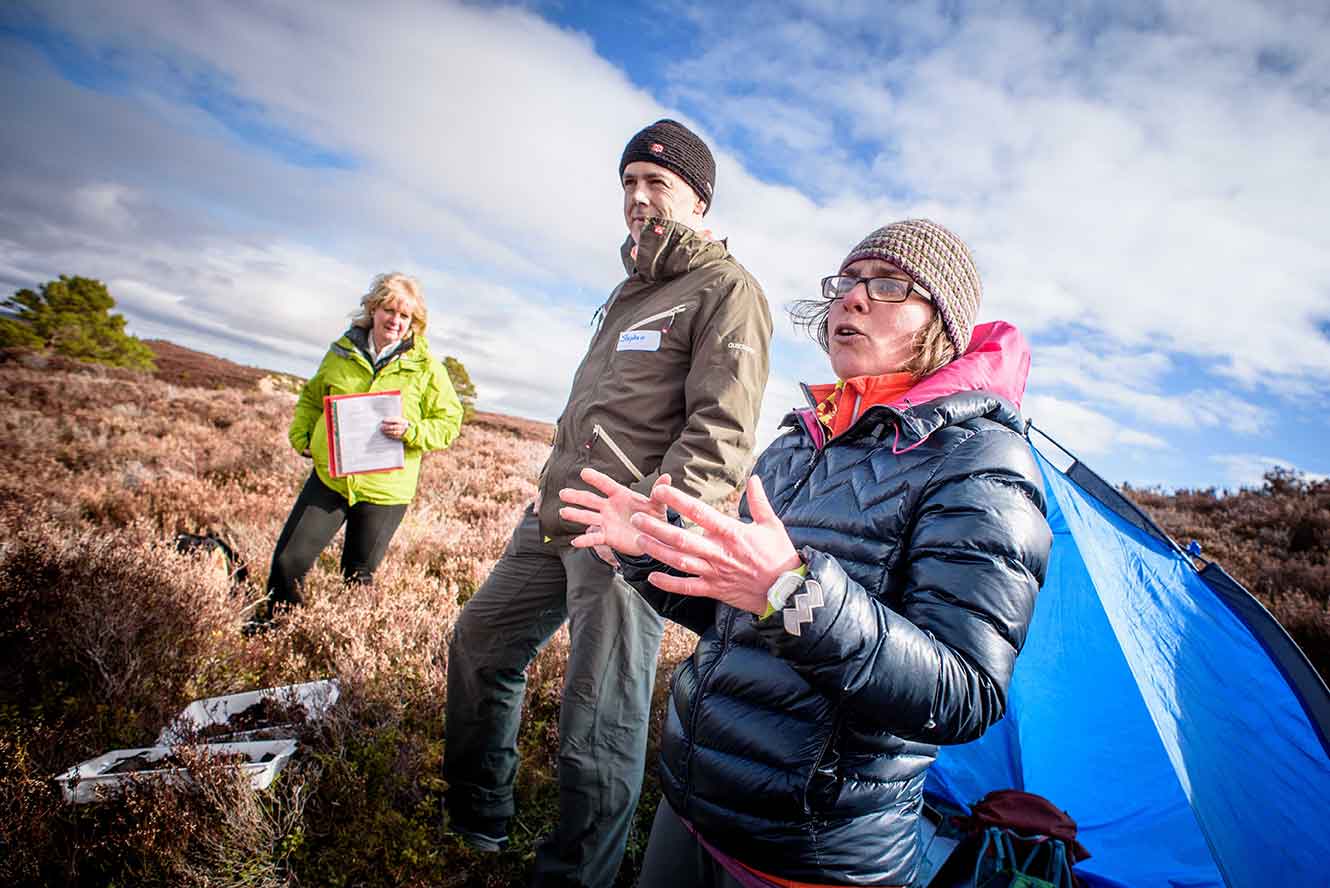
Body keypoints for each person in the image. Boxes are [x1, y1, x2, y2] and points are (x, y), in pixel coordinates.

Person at [559, 219, 1053, 887]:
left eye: (888, 285)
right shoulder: (801, 438)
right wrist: (649, 554)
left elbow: (964, 691)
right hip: (691, 807)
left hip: (810, 851)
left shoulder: (983, 460)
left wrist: (790, 593)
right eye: (847, 282)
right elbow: (738, 616)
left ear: (943, 321)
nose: (853, 298)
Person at [443, 119, 772, 888]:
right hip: (554, 518)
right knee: (480, 645)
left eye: (657, 182)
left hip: (625, 537)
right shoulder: (631, 289)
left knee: (598, 724)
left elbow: (720, 434)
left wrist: (648, 529)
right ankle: (478, 819)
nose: (638, 196)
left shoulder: (727, 290)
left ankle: (575, 877)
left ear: (699, 200)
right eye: (629, 182)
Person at [245, 272, 463, 633]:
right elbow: (312, 399)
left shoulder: (427, 367)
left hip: (385, 491)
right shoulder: (341, 352)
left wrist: (413, 431)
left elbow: (449, 421)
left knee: (357, 577)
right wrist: (302, 435)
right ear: (372, 309)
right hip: (331, 478)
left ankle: (346, 647)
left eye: (404, 315)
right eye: (389, 310)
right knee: (288, 561)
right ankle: (278, 632)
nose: (395, 320)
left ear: (414, 322)